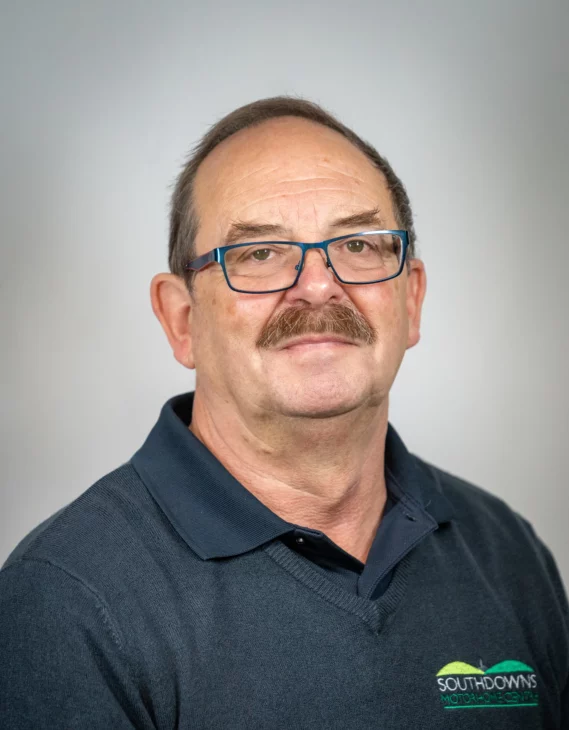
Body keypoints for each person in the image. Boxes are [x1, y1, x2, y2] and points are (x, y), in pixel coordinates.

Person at [1, 97, 567, 729]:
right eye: (260, 254)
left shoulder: (508, 553)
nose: (319, 285)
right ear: (182, 321)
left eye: (358, 244)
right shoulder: (68, 599)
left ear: (411, 301)